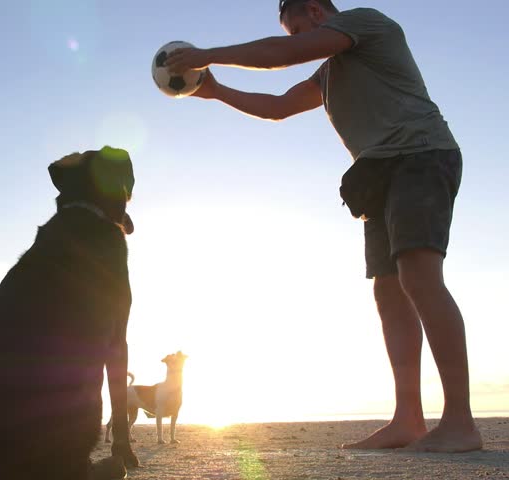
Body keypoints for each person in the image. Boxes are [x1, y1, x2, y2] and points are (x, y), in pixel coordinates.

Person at [165, 0, 482, 453]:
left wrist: (207, 53)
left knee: (419, 277)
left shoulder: (366, 23)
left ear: (316, 11)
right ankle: (408, 419)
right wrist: (217, 91)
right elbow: (278, 106)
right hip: (376, 174)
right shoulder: (329, 74)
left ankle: (460, 423)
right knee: (389, 293)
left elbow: (280, 54)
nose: (297, 39)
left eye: (297, 28)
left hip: (420, 154)